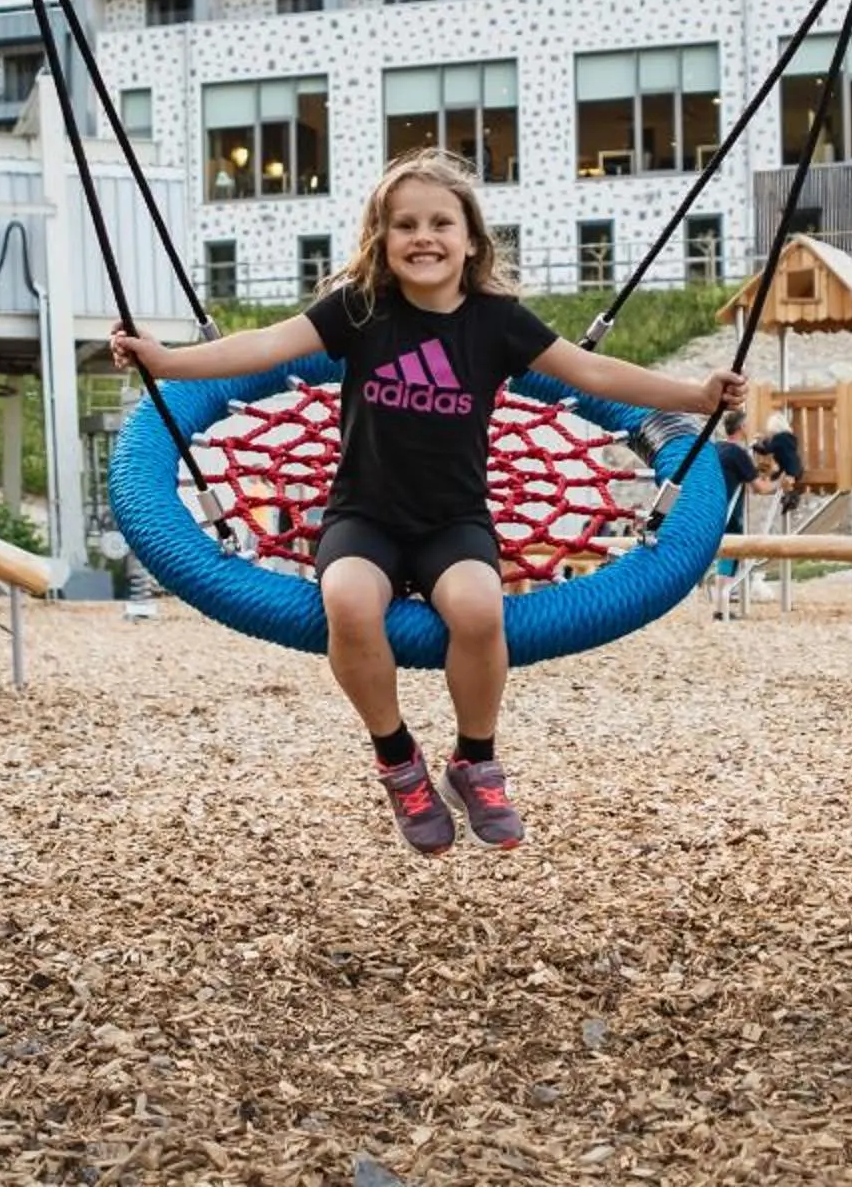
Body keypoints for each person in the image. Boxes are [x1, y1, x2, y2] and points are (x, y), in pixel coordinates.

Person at [112, 149, 743, 856]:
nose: (424, 236)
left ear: (470, 238)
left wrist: (696, 396)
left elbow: (590, 370)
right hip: (364, 517)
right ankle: (398, 759)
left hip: (454, 520)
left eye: (441, 222)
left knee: (478, 609)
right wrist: (165, 362)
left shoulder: (498, 323)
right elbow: (262, 346)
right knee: (348, 602)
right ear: (380, 240)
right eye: (404, 223)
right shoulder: (359, 311)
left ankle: (475, 756)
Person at [706, 409, 760, 619]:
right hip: (730, 513)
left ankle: (720, 607)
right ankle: (722, 607)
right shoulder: (739, 454)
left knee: (723, 557)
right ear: (742, 428)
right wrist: (779, 481)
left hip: (714, 509)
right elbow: (759, 488)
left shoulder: (717, 448)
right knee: (730, 557)